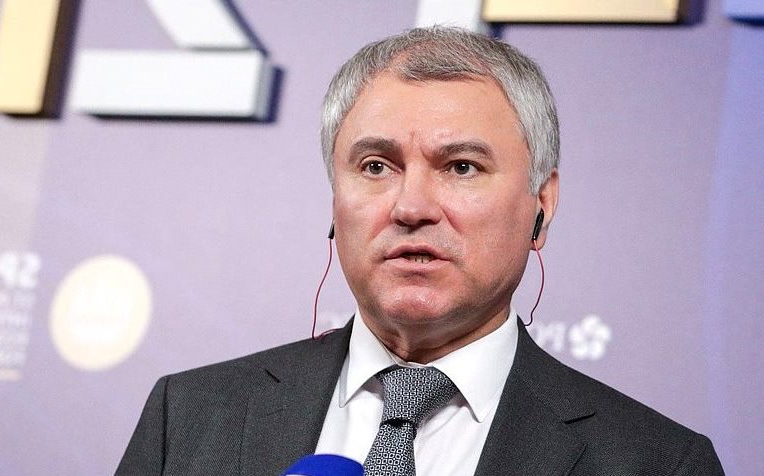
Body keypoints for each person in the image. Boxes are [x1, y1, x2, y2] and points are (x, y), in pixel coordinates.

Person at [117, 27, 725, 475]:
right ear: (334, 200)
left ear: (541, 205)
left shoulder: (657, 463)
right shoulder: (190, 417)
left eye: (461, 167)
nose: (411, 207)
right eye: (375, 166)